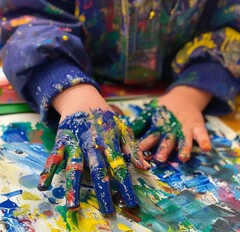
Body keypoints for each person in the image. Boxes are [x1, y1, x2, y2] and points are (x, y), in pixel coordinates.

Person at [1, 0, 240, 214]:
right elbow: (25, 22)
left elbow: (233, 28)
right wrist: (71, 91)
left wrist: (193, 91)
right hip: (74, 80)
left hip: (180, 85)